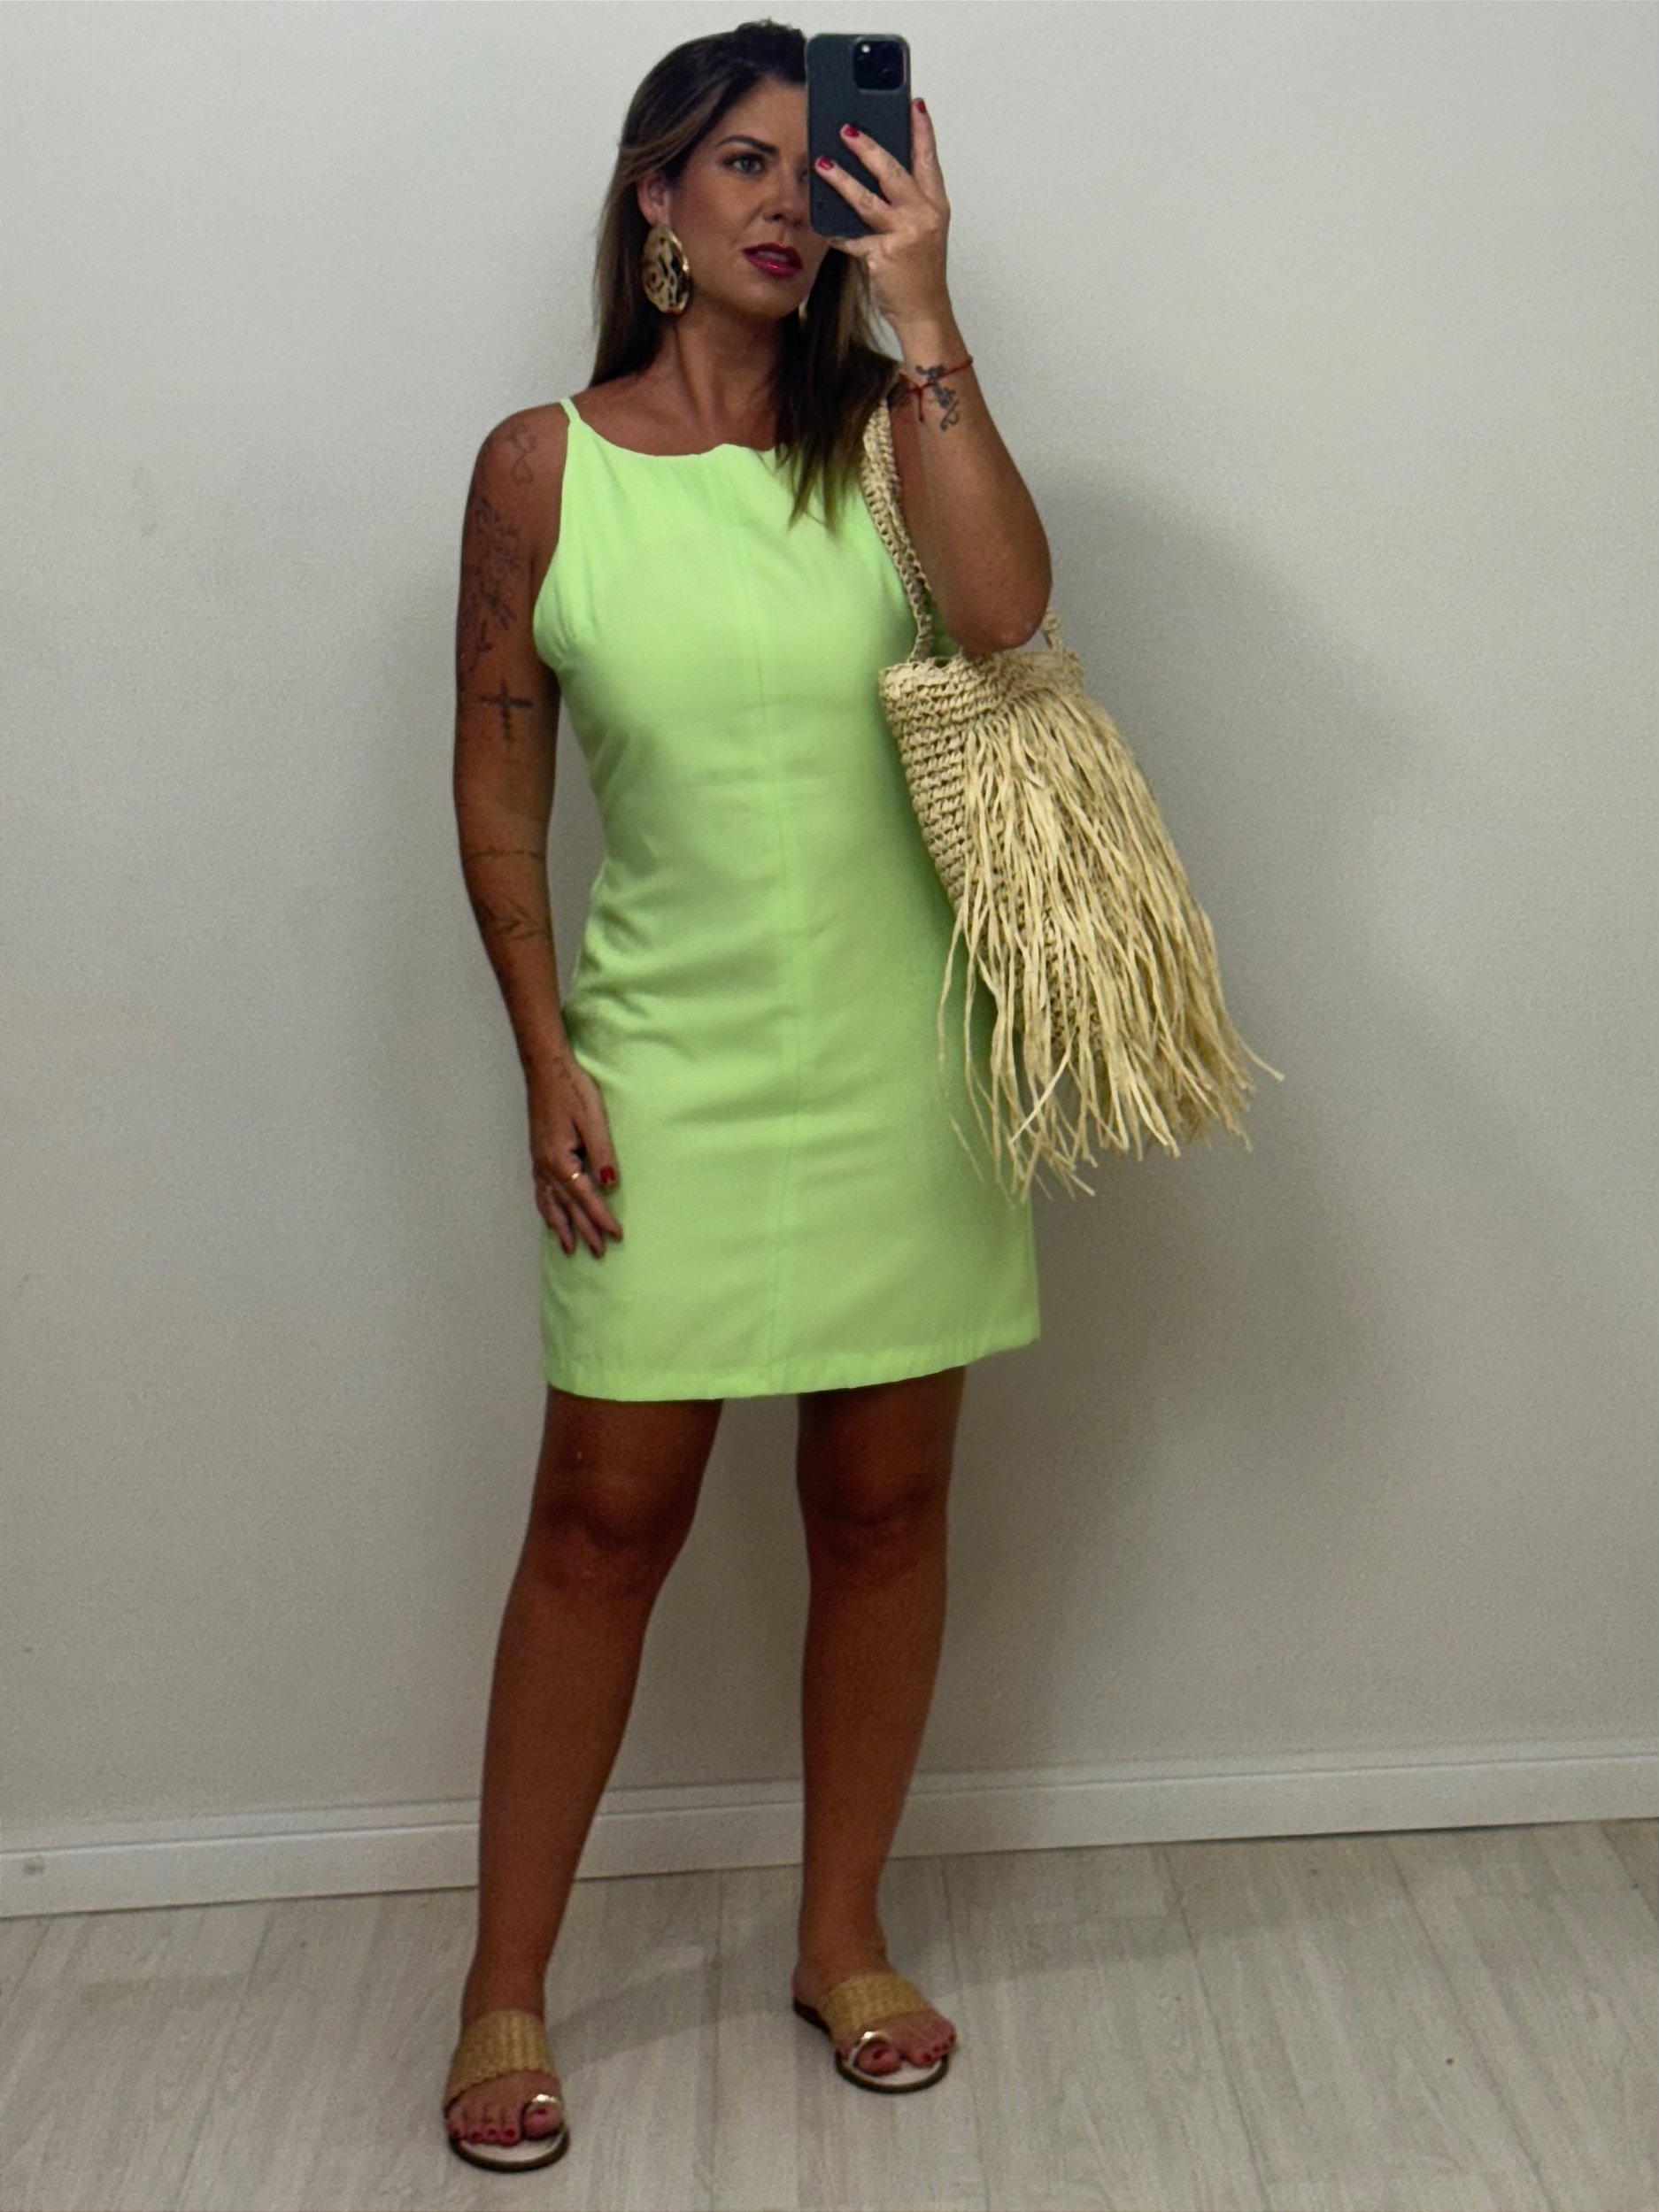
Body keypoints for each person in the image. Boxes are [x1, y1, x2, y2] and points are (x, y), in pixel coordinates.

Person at [443, 18, 1052, 2172]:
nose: (793, 204)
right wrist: (544, 1054)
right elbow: (499, 786)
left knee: (881, 1509)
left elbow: (1007, 618)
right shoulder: (541, 467)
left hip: (900, 1065)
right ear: (657, 198)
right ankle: (505, 1981)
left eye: (828, 166)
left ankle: (839, 1932)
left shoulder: (886, 436)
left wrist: (928, 311)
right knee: (598, 1524)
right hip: (664, 1065)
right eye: (746, 166)